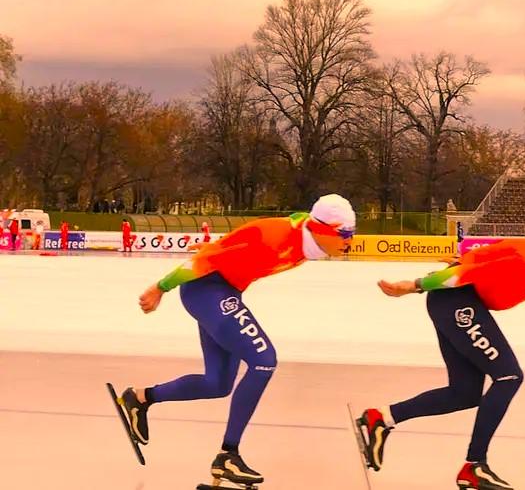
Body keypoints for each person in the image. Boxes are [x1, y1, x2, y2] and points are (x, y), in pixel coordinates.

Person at [356, 210, 525, 490]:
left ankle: (380, 419)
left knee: (464, 394)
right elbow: (466, 274)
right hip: (455, 298)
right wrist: (414, 285)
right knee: (509, 376)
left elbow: (498, 250)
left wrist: (469, 258)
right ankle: (474, 466)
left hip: (461, 301)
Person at [113, 194, 356, 488]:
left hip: (223, 292)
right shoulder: (276, 236)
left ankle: (139, 399)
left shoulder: (307, 238)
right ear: (324, 230)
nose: (349, 242)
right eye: (345, 234)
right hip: (206, 290)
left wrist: (219, 246)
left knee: (218, 384)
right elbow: (202, 262)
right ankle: (228, 455)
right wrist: (160, 287)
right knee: (264, 361)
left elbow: (258, 232)